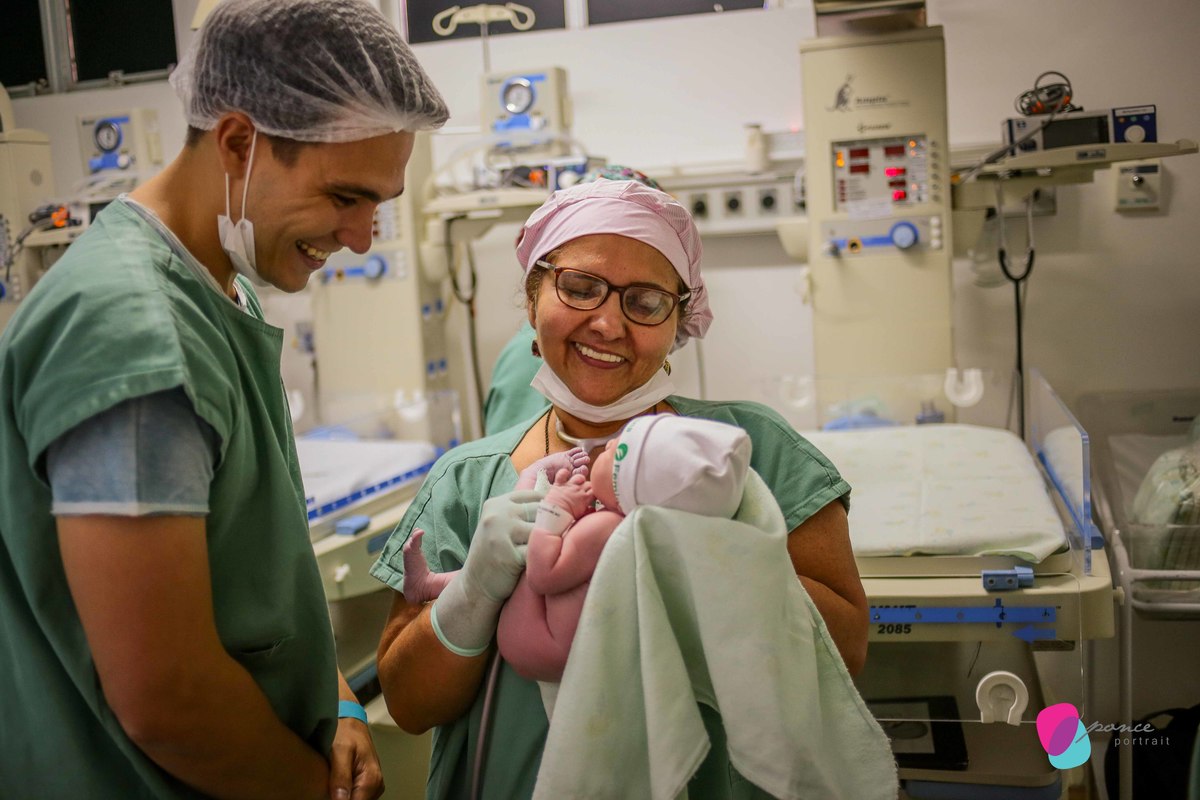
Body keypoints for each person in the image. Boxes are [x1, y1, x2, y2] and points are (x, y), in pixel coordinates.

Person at [0, 1, 448, 798]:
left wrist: (335, 700)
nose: (361, 237)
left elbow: (248, 588)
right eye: (345, 197)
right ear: (239, 142)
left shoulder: (216, 290)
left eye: (379, 204)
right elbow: (167, 699)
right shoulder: (131, 333)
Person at [373, 177, 869, 799]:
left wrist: (709, 557)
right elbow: (409, 705)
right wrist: (472, 594)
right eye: (580, 287)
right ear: (532, 298)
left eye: (646, 301)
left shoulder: (750, 450)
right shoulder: (467, 479)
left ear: (679, 321)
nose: (608, 323)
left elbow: (844, 653)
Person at [402, 415, 752, 705]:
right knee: (509, 547)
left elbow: (543, 574)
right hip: (548, 638)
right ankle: (430, 584)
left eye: (618, 451)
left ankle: (434, 582)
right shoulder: (625, 525)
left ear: (630, 487)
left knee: (517, 552)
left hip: (534, 637)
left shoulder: (605, 527)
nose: (608, 447)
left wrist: (557, 506)